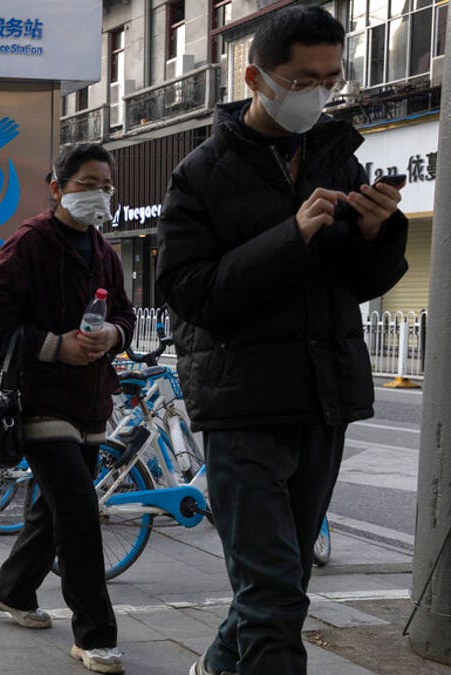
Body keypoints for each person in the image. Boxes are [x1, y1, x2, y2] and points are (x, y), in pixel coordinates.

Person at [155, 7, 408, 675]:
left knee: (283, 584)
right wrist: (289, 235)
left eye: (330, 79)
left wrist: (379, 236)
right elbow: (191, 294)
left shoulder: (338, 158)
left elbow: (355, 283)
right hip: (242, 409)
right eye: (302, 79)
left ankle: (214, 665)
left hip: (321, 404)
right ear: (257, 78)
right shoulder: (199, 174)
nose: (317, 94)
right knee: (271, 598)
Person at [0, 143, 135, 675]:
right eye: (88, 183)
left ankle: (13, 590)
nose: (100, 195)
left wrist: (113, 333)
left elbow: (127, 319)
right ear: (58, 187)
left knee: (55, 509)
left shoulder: (103, 250)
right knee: (81, 516)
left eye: (107, 186)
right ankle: (95, 635)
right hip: (41, 400)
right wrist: (54, 346)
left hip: (91, 401)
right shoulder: (30, 244)